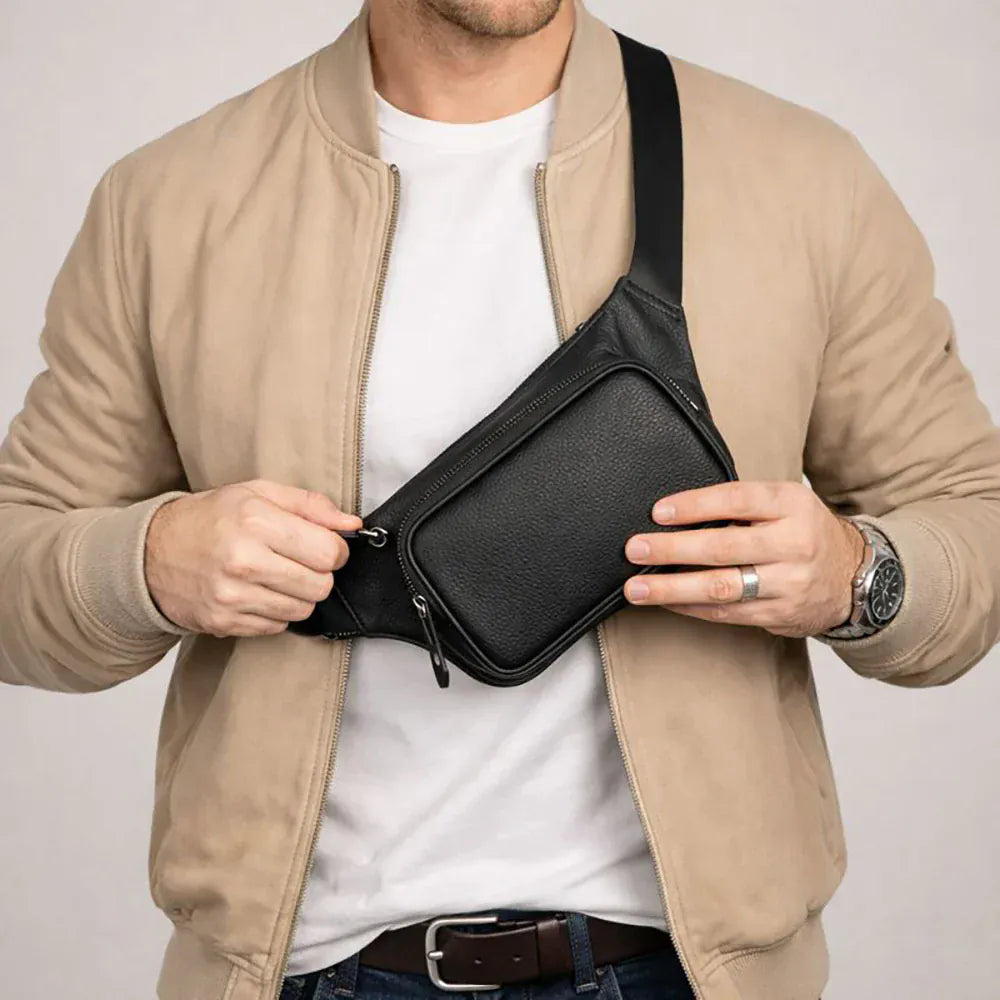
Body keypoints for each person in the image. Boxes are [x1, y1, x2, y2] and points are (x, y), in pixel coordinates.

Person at [2, 1, 999, 998]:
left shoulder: (799, 175)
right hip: (305, 974)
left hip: (683, 974)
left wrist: (855, 576)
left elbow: (972, 515)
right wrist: (148, 563)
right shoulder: (169, 202)